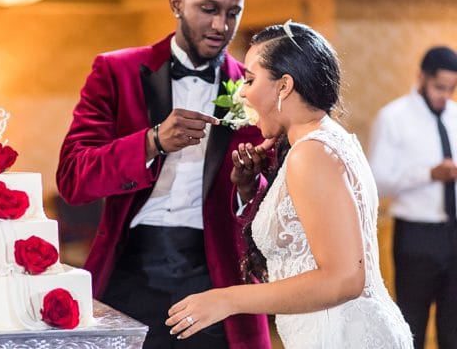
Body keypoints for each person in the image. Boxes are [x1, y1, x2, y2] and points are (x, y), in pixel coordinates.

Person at [57, 0, 270, 349]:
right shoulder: (115, 72)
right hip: (131, 271)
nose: (221, 25)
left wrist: (247, 188)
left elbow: (274, 201)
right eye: (208, 9)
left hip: (219, 277)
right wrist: (151, 142)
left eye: (232, 12)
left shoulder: (254, 89)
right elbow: (73, 179)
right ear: (176, 4)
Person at [166, 23, 413, 348]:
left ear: (284, 86)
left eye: (250, 80)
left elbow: (345, 279)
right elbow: (302, 243)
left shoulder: (311, 153)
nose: (241, 92)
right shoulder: (326, 141)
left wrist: (228, 300)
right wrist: (249, 189)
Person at [369, 46, 457, 349]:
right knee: (412, 326)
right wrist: (427, 174)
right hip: (415, 236)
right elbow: (377, 182)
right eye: (438, 87)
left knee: (453, 327)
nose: (444, 95)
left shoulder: (456, 117)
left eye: (451, 88)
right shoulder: (393, 117)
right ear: (421, 77)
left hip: (454, 232)